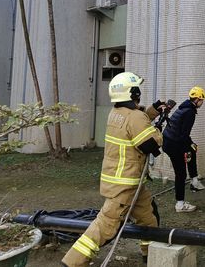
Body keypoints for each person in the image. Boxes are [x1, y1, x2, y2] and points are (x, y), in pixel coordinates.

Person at [62, 72, 164, 267]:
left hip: (128, 182)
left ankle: (149, 254)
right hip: (124, 185)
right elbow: (150, 145)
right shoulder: (135, 118)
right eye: (137, 90)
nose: (139, 93)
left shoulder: (115, 113)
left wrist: (153, 111)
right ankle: (72, 262)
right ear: (133, 93)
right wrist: (159, 132)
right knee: (105, 225)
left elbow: (134, 120)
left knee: (148, 218)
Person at [162, 86, 205, 213]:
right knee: (180, 173)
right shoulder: (190, 112)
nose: (202, 103)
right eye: (202, 100)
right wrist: (188, 146)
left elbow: (182, 133)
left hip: (169, 141)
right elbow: (183, 134)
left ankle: (194, 181)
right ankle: (180, 204)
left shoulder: (184, 107)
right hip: (174, 144)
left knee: (192, 150)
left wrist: (190, 145)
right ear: (198, 99)